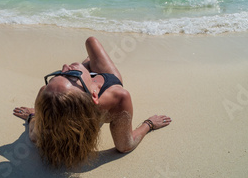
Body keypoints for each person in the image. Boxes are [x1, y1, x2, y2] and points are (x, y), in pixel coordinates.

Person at [13, 36, 172, 168]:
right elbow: (125, 145)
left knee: (89, 48)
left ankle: (86, 67)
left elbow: (34, 135)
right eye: (71, 75)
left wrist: (33, 117)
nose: (65, 66)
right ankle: (87, 65)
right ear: (94, 95)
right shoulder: (117, 97)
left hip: (81, 91)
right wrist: (149, 124)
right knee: (91, 42)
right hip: (105, 80)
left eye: (59, 74)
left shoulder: (46, 93)